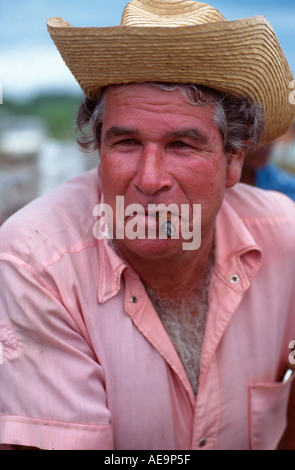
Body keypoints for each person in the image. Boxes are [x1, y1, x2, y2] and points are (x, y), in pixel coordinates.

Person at [0, 0, 295, 451]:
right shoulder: (36, 262)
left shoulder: (286, 240)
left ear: (233, 159)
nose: (150, 179)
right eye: (126, 142)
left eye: (181, 144)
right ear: (97, 148)